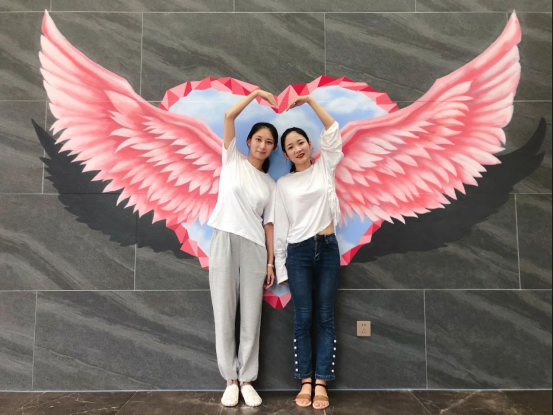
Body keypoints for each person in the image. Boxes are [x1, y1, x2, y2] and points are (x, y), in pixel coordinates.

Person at [207, 89, 278, 407]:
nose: (263, 145)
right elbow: (229, 116)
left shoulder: (270, 184)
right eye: (258, 139)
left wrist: (270, 263)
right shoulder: (231, 160)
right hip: (224, 239)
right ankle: (230, 381)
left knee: (251, 316)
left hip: (254, 249)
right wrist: (256, 94)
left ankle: (247, 379)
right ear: (248, 141)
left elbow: (269, 225)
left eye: (269, 142)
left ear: (273, 148)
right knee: (224, 313)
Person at [273, 95, 343, 410]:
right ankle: (305, 380)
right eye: (290, 146)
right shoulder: (283, 185)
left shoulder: (324, 167)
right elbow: (280, 228)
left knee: (325, 317)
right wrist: (281, 267)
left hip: (327, 248)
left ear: (310, 145)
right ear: (285, 154)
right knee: (303, 318)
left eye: (301, 142)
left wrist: (311, 102)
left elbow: (333, 130)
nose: (297, 148)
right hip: (298, 253)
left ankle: (322, 382)